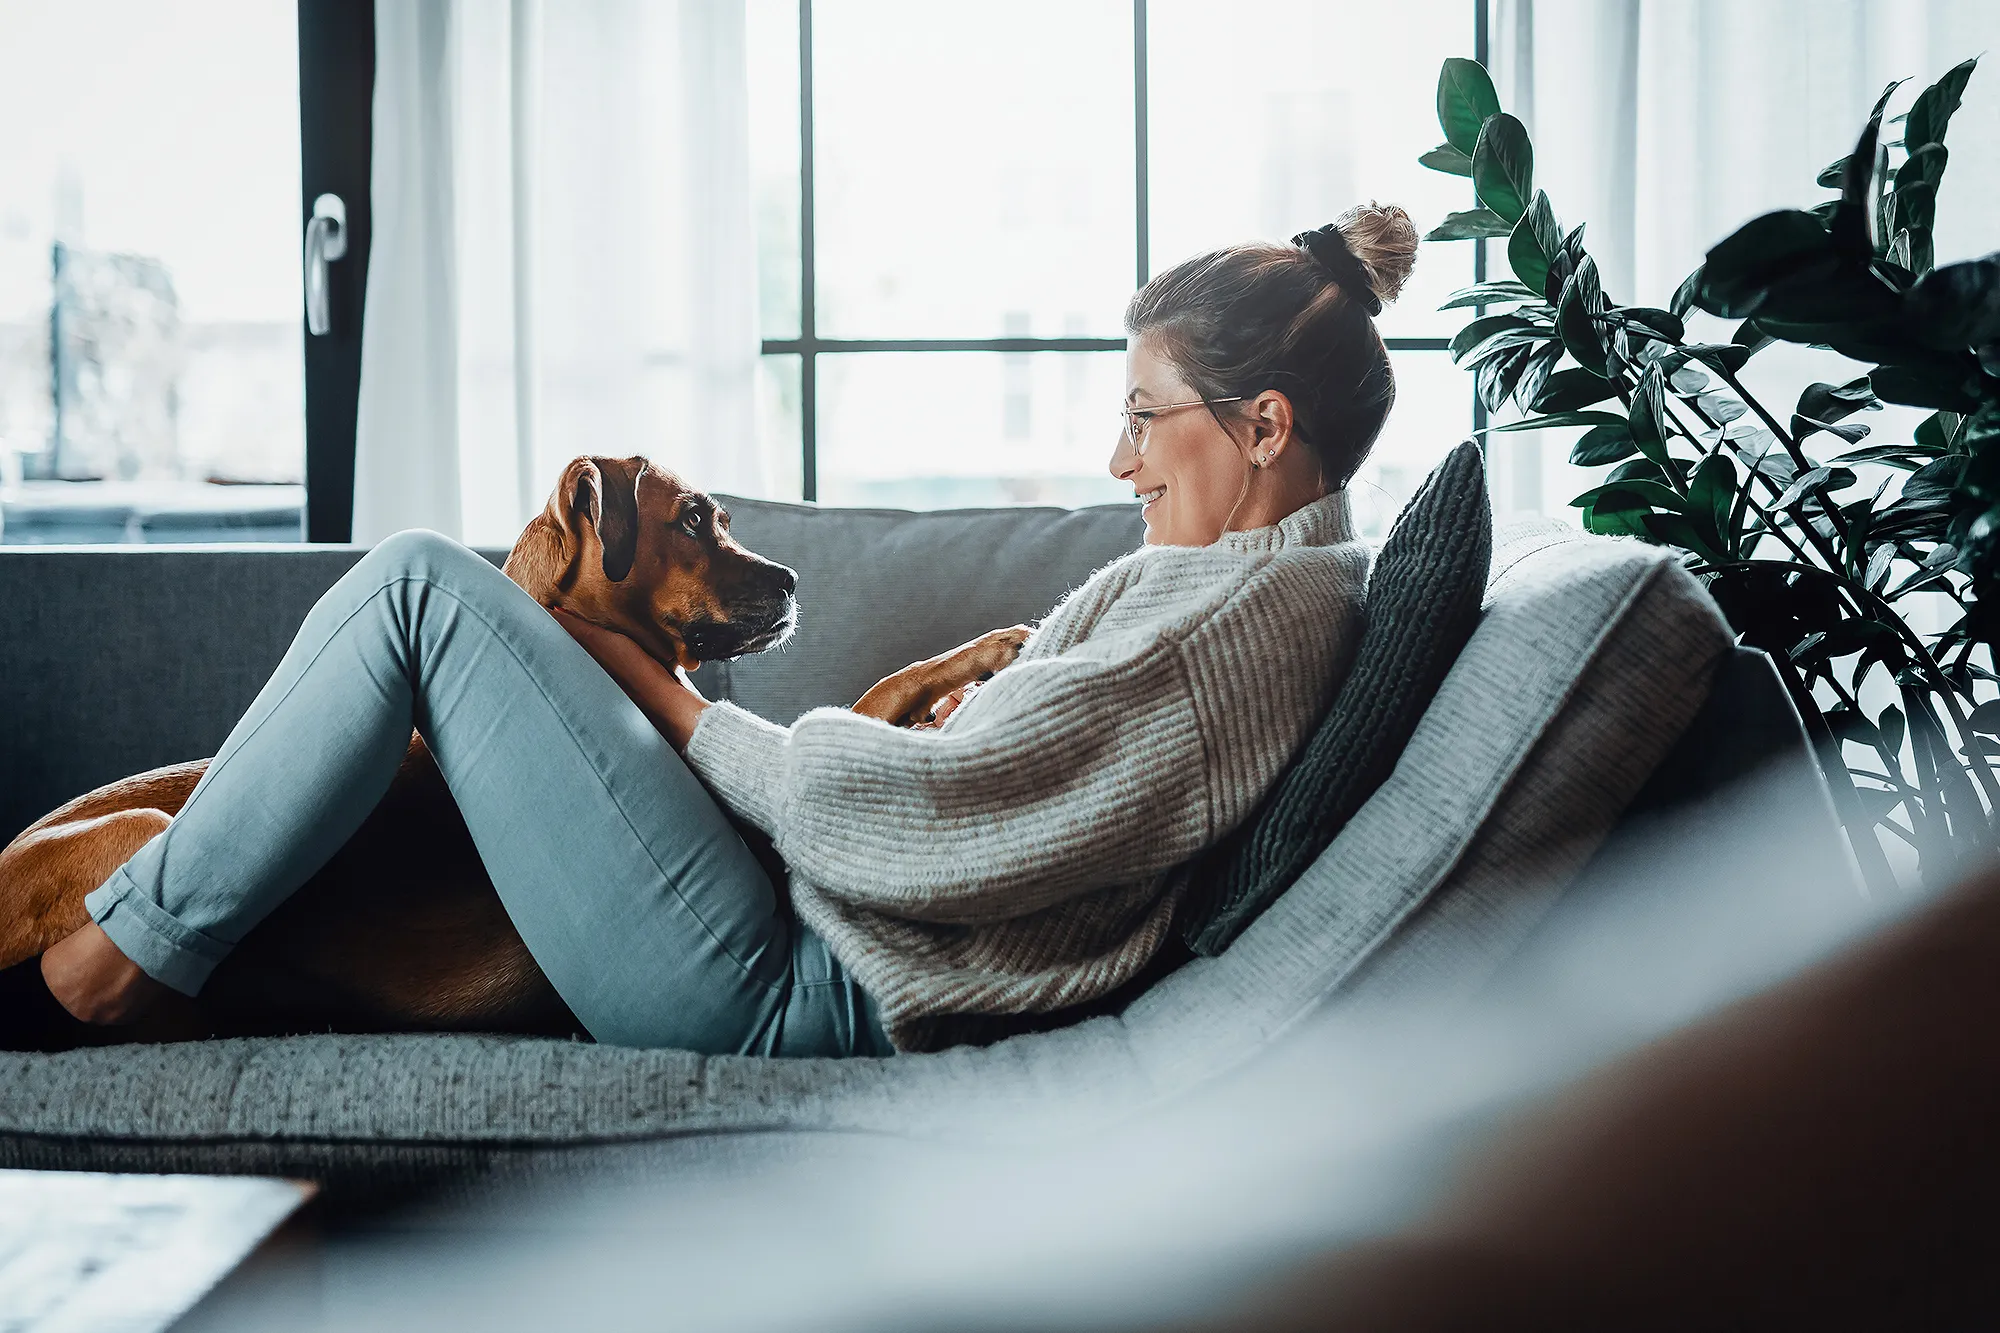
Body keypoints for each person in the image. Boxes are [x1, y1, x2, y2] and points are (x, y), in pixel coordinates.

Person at [40, 203, 1418, 1057]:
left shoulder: (1221, 633)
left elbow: (906, 831)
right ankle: (158, 922)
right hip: (813, 932)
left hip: (793, 986)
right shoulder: (1253, 592)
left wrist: (670, 700)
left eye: (1144, 417)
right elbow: (1016, 802)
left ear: (1264, 427)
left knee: (416, 587)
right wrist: (984, 731)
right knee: (433, 597)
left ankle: (123, 958)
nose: (1120, 461)